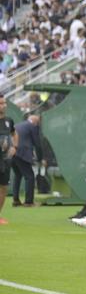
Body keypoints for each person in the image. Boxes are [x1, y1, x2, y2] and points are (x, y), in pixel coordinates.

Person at [0, 95, 15, 224]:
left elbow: (14, 133)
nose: (4, 105)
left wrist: (14, 146)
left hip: (5, 160)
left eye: (4, 103)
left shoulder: (9, 121)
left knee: (3, 187)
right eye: (1, 103)